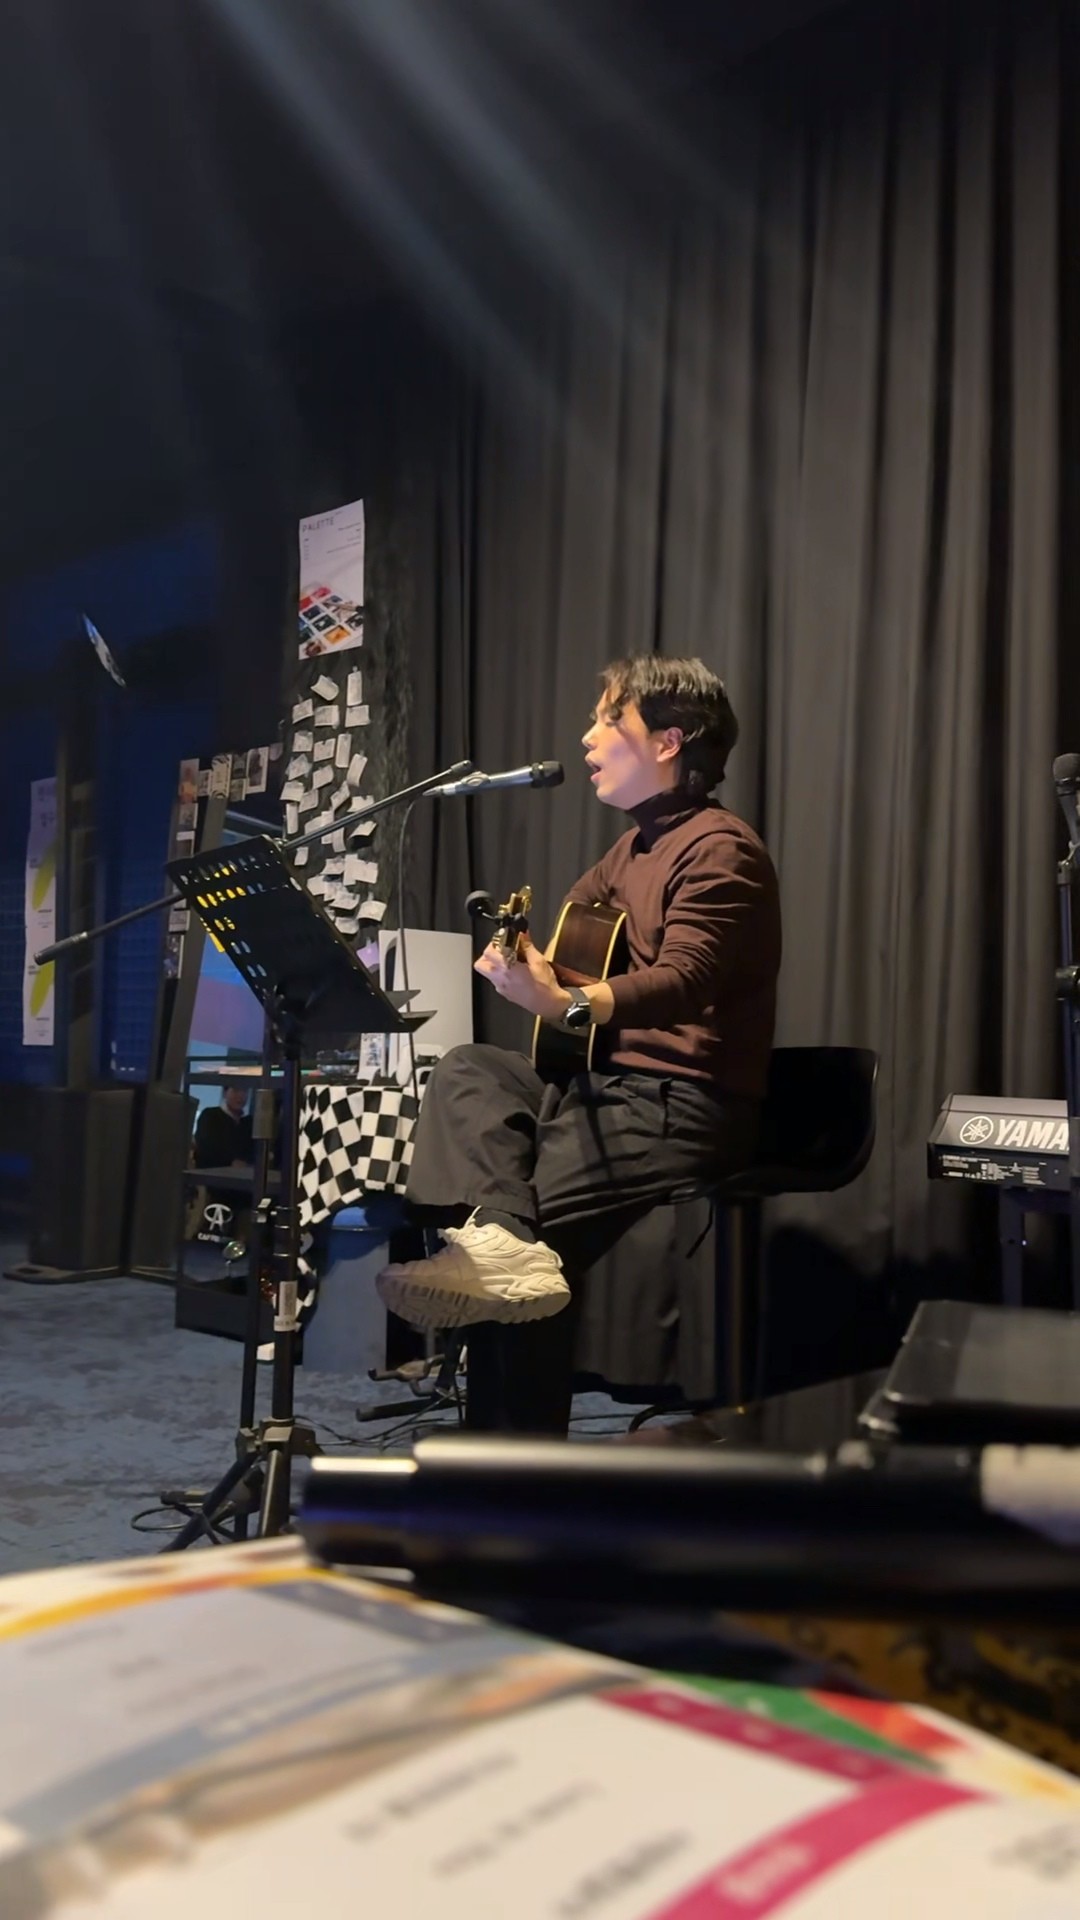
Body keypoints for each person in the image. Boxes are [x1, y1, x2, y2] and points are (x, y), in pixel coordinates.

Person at [377, 656, 782, 1423]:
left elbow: (687, 978)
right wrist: (525, 958)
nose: (588, 736)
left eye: (609, 720)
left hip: (682, 1104)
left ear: (667, 741)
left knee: (521, 1251)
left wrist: (563, 1001)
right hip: (604, 1089)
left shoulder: (720, 848)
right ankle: (503, 1240)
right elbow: (575, 935)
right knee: (469, 1069)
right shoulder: (629, 851)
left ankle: (512, 1470)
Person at [193, 1080, 254, 1169]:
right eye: (236, 1090)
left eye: (244, 1091)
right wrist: (231, 1162)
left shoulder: (248, 1122)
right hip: (212, 1173)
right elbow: (206, 1148)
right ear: (225, 1093)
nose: (240, 1095)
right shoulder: (210, 1115)